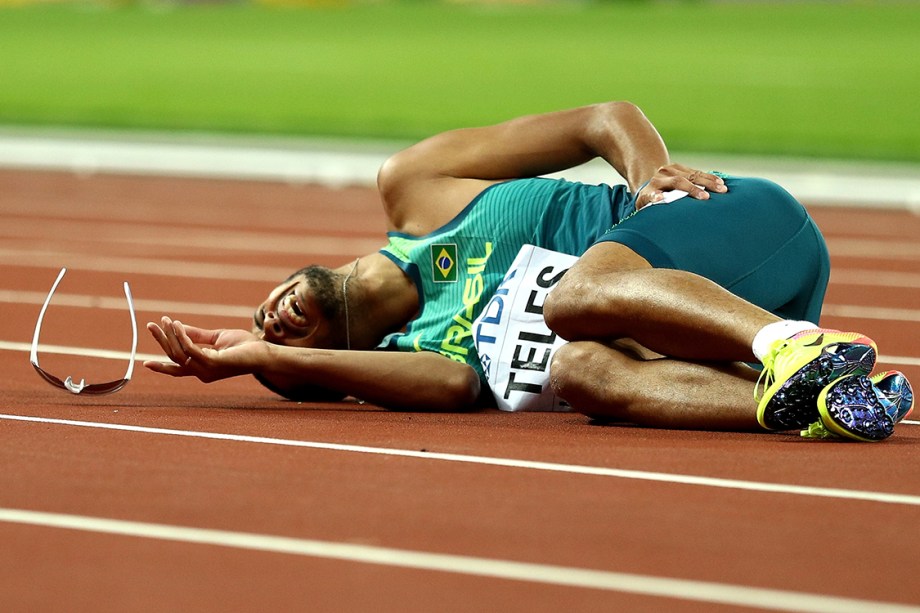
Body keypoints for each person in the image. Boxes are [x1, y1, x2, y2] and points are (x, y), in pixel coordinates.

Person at [144, 101, 912, 441]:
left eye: (262, 314)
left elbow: (600, 119)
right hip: (707, 331)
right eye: (284, 348)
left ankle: (792, 347)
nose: (268, 320)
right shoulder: (425, 356)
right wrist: (260, 361)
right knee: (580, 370)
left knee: (572, 301)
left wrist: (650, 182)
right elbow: (455, 389)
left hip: (739, 225)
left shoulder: (414, 186)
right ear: (325, 371)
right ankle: (814, 402)